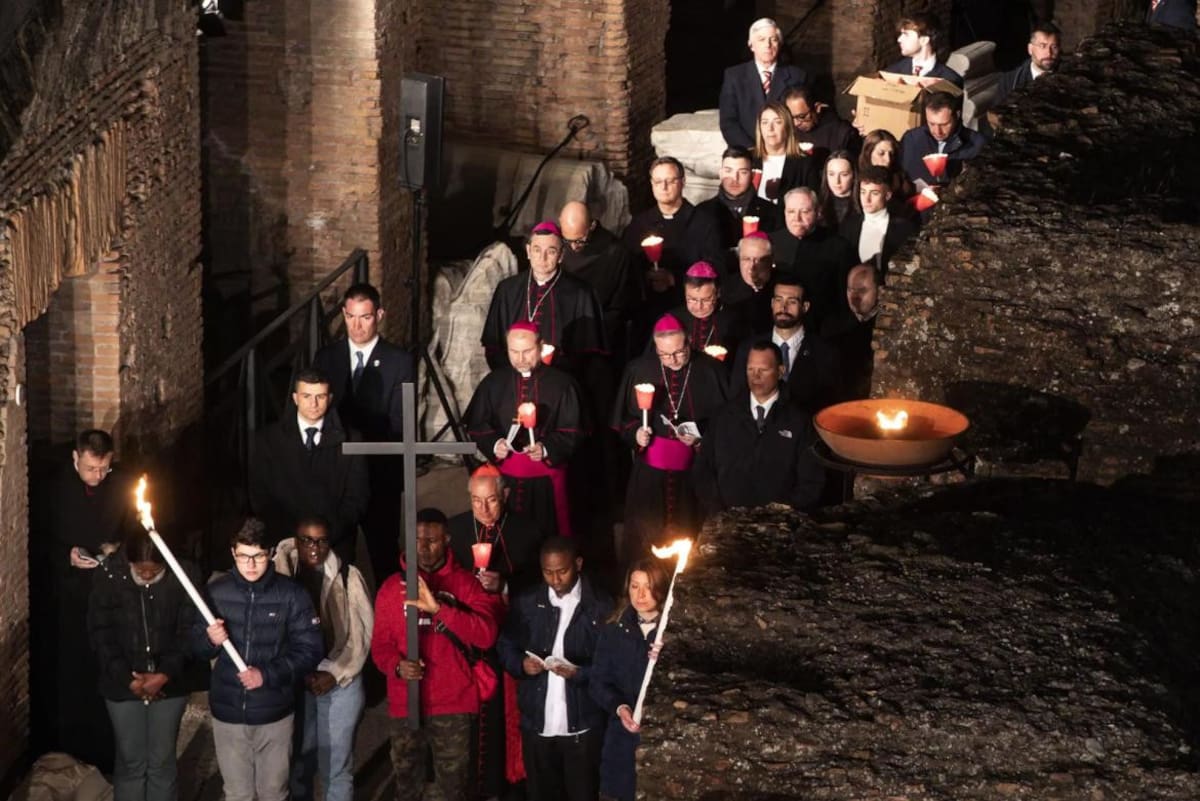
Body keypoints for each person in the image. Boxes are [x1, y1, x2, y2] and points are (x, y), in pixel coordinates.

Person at [372, 508, 503, 801]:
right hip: (406, 704)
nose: (424, 547)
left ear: (446, 540)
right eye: (417, 540)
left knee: (453, 787)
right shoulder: (392, 588)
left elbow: (486, 634)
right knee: (407, 786)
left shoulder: (466, 584)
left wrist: (439, 609)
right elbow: (380, 646)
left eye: (431, 540)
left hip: (453, 704)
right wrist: (397, 666)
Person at [193, 519, 324, 801]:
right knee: (237, 794)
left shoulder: (292, 595)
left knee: (274, 792)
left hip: (274, 712)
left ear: (271, 552)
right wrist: (208, 640)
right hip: (228, 713)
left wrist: (267, 675)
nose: (250, 565)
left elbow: (311, 649)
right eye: (243, 556)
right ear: (232, 553)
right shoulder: (216, 592)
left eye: (258, 556)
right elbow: (195, 648)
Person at [32, 428, 138, 770]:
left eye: (103, 469)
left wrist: (117, 548)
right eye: (91, 468)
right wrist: (68, 554)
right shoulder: (54, 487)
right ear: (76, 458)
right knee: (72, 674)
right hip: (69, 597)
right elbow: (36, 536)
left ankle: (109, 748)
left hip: (109, 595)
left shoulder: (121, 484)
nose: (97, 476)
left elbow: (137, 531)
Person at [312, 282, 415, 586]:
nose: (357, 326)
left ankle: (391, 622)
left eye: (365, 317)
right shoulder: (326, 359)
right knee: (338, 555)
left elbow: (398, 422)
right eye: (351, 317)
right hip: (337, 472)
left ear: (379, 315)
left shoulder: (399, 361)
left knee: (384, 554)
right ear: (343, 314)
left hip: (378, 473)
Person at [87, 531, 203, 801]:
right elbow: (100, 631)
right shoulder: (109, 576)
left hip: (169, 683)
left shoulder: (184, 575)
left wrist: (164, 674)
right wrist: (128, 679)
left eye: (155, 570)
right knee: (131, 761)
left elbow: (189, 629)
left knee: (162, 761)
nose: (148, 576)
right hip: (123, 683)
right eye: (141, 570)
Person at [497, 538, 614, 801]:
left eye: (562, 571)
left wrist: (579, 673)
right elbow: (506, 645)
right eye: (548, 572)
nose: (556, 579)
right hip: (538, 725)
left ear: (578, 564)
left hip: (582, 726)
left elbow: (612, 666)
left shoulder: (600, 606)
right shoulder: (527, 603)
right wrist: (521, 665)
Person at [611, 314, 729, 561]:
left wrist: (700, 437)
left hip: (694, 474)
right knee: (646, 540)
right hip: (650, 476)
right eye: (665, 355)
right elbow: (622, 419)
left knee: (692, 538)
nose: (673, 360)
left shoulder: (710, 370)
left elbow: (727, 421)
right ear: (655, 348)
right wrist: (636, 433)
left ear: (688, 343)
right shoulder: (639, 369)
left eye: (679, 352)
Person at [272, 517, 373, 801]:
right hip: (298, 679)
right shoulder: (278, 576)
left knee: (337, 767)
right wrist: (299, 670)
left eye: (321, 540)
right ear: (296, 541)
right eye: (307, 540)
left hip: (341, 680)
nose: (314, 547)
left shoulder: (348, 576)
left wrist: (336, 672)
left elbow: (362, 635)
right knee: (299, 763)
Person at [465, 322, 585, 537]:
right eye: (514, 352)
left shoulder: (563, 384)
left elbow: (574, 430)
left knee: (548, 538)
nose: (520, 359)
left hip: (546, 483)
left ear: (540, 346)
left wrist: (546, 448)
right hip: (505, 479)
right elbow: (476, 423)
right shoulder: (494, 382)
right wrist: (494, 443)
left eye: (527, 351)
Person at [248, 367, 369, 559]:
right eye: (307, 396)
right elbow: (261, 495)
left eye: (320, 396)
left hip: (335, 543)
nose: (313, 404)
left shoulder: (352, 439)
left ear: (329, 398)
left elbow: (357, 498)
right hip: (285, 543)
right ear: (296, 398)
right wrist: (294, 538)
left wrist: (324, 536)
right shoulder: (268, 440)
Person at [694, 340, 825, 514]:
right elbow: (703, 471)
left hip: (779, 527)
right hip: (727, 523)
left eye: (763, 370)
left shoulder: (800, 421)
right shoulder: (723, 416)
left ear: (780, 371)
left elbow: (812, 480)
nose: (756, 376)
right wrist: (719, 512)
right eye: (751, 369)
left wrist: (783, 515)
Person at [482, 220, 609, 379]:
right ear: (528, 251)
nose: (542, 258)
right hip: (513, 381)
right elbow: (493, 347)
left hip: (561, 383)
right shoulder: (507, 290)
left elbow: (590, 357)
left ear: (561, 255)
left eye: (551, 251)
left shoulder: (582, 293)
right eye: (537, 250)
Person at [589, 559, 669, 801]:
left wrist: (668, 657)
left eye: (648, 586)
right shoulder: (614, 629)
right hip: (621, 743)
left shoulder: (674, 630)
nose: (641, 594)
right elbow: (598, 682)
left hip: (661, 740)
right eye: (635, 586)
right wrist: (620, 707)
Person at [622, 157, 723, 325]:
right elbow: (627, 268)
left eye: (670, 180)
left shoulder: (704, 223)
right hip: (648, 311)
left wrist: (673, 279)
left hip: (689, 310)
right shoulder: (639, 224)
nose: (664, 187)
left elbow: (716, 266)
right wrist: (647, 278)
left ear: (682, 182)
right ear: (652, 184)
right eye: (658, 181)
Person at [731, 274, 841, 416]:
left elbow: (831, 409)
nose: (783, 307)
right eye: (778, 300)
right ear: (772, 303)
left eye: (792, 301)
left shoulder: (825, 354)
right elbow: (736, 401)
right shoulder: (748, 348)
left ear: (805, 306)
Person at [768, 187, 858, 333]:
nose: (797, 218)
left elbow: (844, 301)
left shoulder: (839, 247)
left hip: (822, 331)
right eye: (791, 211)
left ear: (818, 212)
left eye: (804, 212)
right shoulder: (770, 242)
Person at [559, 201, 638, 365]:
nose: (573, 247)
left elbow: (620, 305)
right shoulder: (559, 246)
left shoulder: (616, 252)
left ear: (592, 225)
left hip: (600, 335)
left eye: (580, 240)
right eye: (568, 241)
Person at [718, 17, 807, 149]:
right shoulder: (734, 76)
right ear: (751, 45)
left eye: (773, 39)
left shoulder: (797, 76)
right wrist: (752, 150)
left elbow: (802, 120)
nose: (768, 45)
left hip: (785, 150)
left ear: (780, 44)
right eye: (761, 40)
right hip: (748, 152)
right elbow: (728, 122)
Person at [695, 147, 781, 266]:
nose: (735, 179)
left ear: (752, 175)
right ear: (720, 174)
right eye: (728, 171)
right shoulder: (702, 212)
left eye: (743, 172)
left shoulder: (772, 212)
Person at [820, 263, 883, 399]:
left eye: (862, 291)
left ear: (880, 290)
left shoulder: (886, 328)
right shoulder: (832, 326)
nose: (854, 297)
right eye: (850, 290)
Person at [898, 92, 986, 190]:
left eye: (944, 124)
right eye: (931, 124)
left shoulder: (976, 144)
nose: (937, 131)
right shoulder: (911, 140)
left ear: (957, 115)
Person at [838, 165, 917, 272]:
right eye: (863, 192)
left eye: (874, 193)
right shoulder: (848, 226)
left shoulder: (904, 229)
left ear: (888, 195)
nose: (867, 199)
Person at [664, 262, 748, 362]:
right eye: (692, 299)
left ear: (718, 293)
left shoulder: (735, 320)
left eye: (706, 300)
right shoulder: (671, 319)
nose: (699, 307)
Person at [752, 101, 819, 204]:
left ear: (788, 127)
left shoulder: (805, 164)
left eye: (777, 122)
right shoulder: (749, 159)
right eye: (765, 122)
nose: (770, 128)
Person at [784, 85, 861, 163]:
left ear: (817, 107)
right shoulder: (788, 131)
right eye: (791, 117)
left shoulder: (842, 133)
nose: (796, 123)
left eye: (801, 116)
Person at [884, 13, 963, 86]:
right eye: (901, 34)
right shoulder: (891, 73)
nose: (899, 39)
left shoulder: (950, 80)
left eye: (906, 34)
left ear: (924, 40)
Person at [721, 232, 775, 334]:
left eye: (759, 260)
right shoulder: (726, 288)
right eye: (746, 259)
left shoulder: (783, 287)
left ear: (771, 261)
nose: (752, 267)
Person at [997, 22, 1062, 102]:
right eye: (1042, 46)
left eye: (1054, 47)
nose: (1048, 53)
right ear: (1030, 49)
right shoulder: (1009, 82)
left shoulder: (1072, 78)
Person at [858, 129, 912, 200]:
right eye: (881, 153)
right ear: (868, 153)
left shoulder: (901, 180)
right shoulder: (857, 179)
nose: (888, 160)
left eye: (891, 154)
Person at [818, 151, 858, 228]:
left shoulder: (863, 204)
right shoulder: (817, 203)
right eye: (831, 174)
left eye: (844, 175)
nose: (837, 181)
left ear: (854, 176)